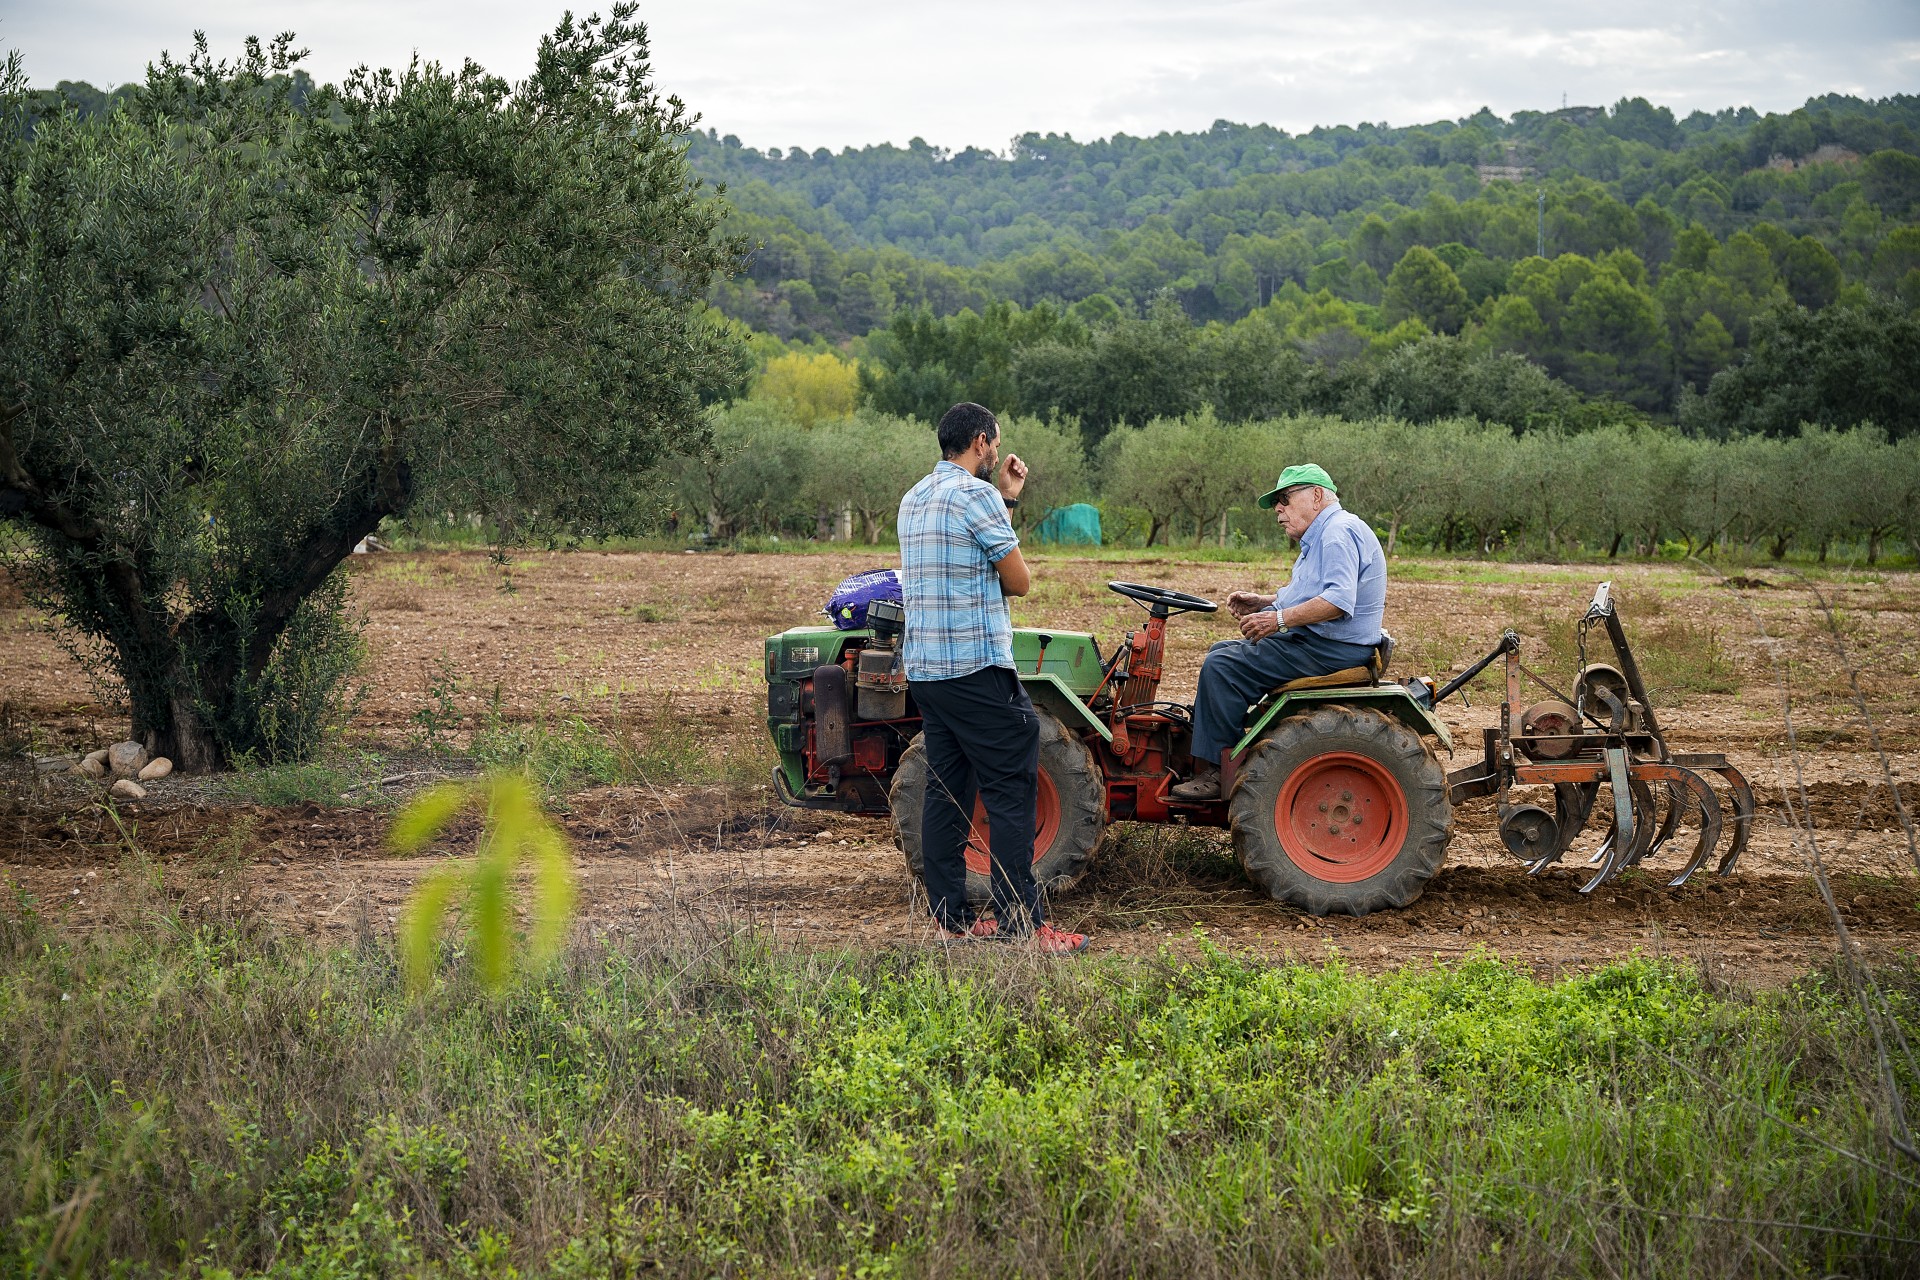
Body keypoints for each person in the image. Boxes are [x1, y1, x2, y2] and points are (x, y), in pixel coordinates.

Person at [896, 402, 1089, 953]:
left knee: (946, 789)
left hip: (929, 670)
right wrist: (999, 500)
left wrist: (1005, 497)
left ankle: (951, 920)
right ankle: (1021, 925)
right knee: (1010, 789)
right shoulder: (973, 496)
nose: (996, 451)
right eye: (995, 442)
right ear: (982, 441)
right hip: (977, 667)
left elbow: (965, 555)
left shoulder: (914, 498)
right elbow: (1018, 580)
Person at [1169, 463, 1386, 802]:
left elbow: (1338, 601)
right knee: (1221, 652)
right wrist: (1265, 602)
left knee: (1223, 667)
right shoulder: (1324, 536)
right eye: (1276, 504)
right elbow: (1314, 592)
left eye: (1284, 499)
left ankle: (1217, 770)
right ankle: (1222, 748)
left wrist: (1278, 620)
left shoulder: (1336, 533)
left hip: (1332, 649)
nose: (1278, 510)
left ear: (1316, 496)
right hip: (1324, 642)